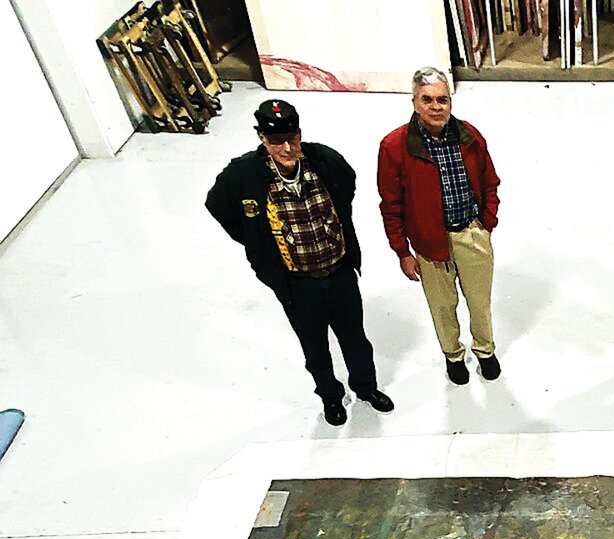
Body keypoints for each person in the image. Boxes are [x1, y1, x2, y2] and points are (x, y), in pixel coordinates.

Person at [206, 100, 393, 426]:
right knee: (315, 347)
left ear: (300, 132)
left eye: (292, 137)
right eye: (277, 140)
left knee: (355, 339)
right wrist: (256, 242)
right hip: (297, 284)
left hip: (339, 272)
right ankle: (331, 397)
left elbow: (347, 185)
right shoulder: (244, 174)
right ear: (262, 137)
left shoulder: (324, 160)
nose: (287, 147)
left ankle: (365, 388)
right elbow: (218, 206)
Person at [377, 67, 503, 387]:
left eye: (442, 99)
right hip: (430, 243)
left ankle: (485, 350)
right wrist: (402, 251)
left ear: (450, 102)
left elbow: (490, 181)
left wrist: (487, 222)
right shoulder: (394, 146)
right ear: (415, 103)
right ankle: (453, 355)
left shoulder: (470, 136)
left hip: (471, 234)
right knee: (442, 306)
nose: (436, 106)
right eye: (428, 99)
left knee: (479, 301)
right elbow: (390, 205)